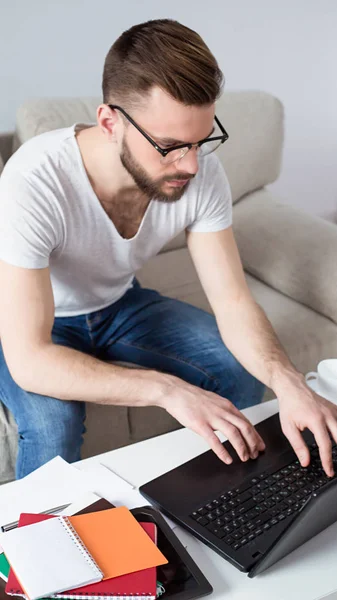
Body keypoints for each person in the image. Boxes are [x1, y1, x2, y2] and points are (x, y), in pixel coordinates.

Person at [0, 19, 336, 480]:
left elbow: (234, 301)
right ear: (109, 122)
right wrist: (168, 390)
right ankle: (30, 542)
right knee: (53, 425)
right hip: (39, 320)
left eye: (201, 142)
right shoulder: (34, 181)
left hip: (120, 303)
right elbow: (31, 359)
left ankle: (222, 509)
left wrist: (290, 383)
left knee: (236, 369)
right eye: (171, 146)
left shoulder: (202, 174)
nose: (192, 165)